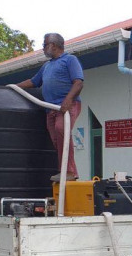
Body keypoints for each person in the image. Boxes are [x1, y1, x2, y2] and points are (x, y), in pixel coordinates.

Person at [17, 33, 84, 182]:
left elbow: (78, 83)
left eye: (44, 45)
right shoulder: (46, 66)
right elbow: (34, 82)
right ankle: (65, 170)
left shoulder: (70, 60)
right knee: (56, 139)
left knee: (62, 130)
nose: (43, 48)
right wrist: (14, 87)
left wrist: (68, 100)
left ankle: (69, 172)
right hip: (51, 108)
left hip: (66, 106)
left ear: (53, 45)